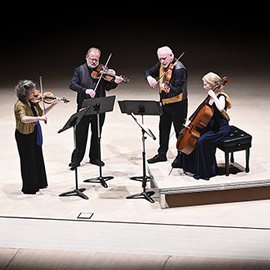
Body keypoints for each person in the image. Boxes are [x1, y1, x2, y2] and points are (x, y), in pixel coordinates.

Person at [69, 47, 124, 170]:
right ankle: (76, 159)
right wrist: (85, 90)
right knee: (81, 134)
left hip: (99, 107)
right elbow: (72, 85)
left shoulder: (103, 71)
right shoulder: (80, 70)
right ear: (87, 57)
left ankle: (95, 157)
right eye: (92, 59)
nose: (94, 62)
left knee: (97, 133)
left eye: (97, 60)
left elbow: (108, 87)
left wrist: (115, 81)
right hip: (84, 106)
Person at [172, 72, 232, 180]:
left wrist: (213, 95)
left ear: (213, 84)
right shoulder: (209, 96)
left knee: (201, 141)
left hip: (219, 128)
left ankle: (206, 171)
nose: (204, 87)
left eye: (205, 84)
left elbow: (221, 108)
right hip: (210, 126)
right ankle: (191, 167)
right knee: (189, 137)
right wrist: (190, 121)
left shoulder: (221, 96)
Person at [14, 80, 60, 194]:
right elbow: (24, 119)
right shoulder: (20, 105)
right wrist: (39, 119)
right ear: (25, 93)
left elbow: (41, 113)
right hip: (24, 135)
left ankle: (40, 182)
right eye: (32, 91)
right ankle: (30, 187)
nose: (35, 93)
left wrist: (54, 104)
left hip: (33, 132)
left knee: (37, 157)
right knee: (28, 160)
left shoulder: (32, 102)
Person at [145, 46, 188, 163]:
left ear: (171, 56)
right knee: (163, 129)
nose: (162, 62)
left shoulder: (179, 69)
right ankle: (162, 154)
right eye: (160, 59)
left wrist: (167, 88)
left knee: (179, 131)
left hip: (178, 105)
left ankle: (181, 156)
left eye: (164, 59)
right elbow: (148, 71)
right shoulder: (162, 65)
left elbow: (178, 89)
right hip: (165, 104)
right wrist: (149, 78)